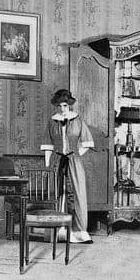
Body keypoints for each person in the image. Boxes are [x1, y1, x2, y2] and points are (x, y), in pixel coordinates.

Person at [41, 89, 95, 244]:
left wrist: (75, 154)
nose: (62, 108)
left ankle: (79, 233)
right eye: (59, 106)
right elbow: (48, 146)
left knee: (77, 193)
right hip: (57, 161)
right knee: (57, 193)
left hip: (74, 161)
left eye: (65, 105)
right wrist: (48, 166)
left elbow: (87, 142)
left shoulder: (78, 120)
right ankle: (58, 231)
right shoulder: (52, 121)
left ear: (69, 105)